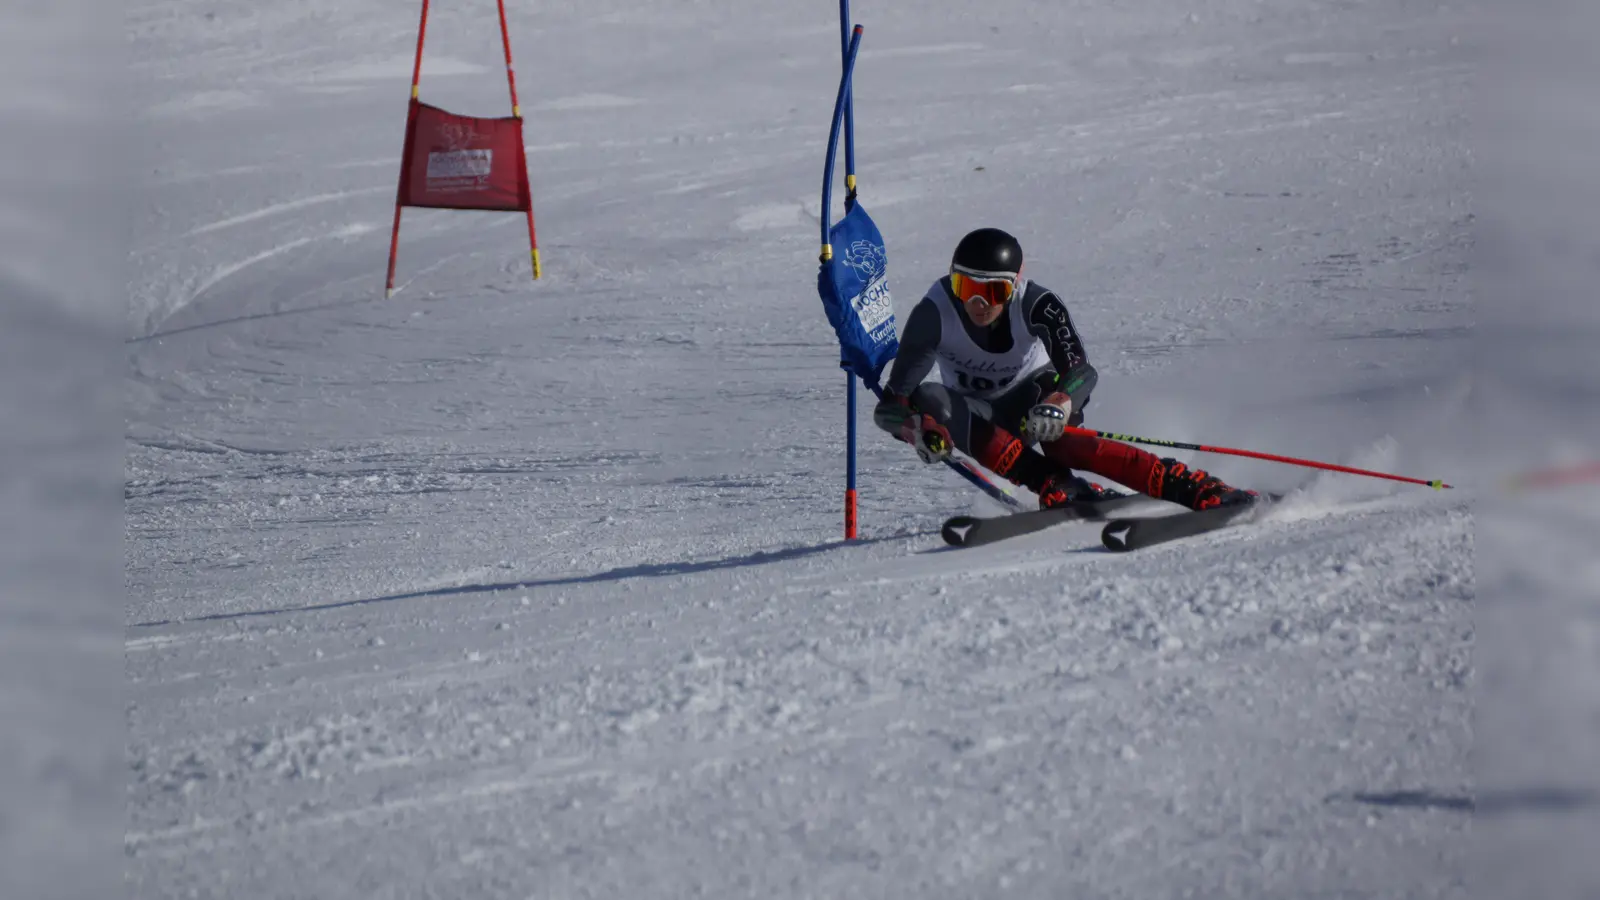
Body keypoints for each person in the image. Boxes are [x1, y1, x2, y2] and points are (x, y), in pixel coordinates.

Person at [873, 227, 1255, 511]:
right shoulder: (934, 313)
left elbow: (1082, 372)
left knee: (1062, 439)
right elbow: (893, 404)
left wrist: (1059, 402)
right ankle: (1054, 484)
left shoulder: (1039, 304)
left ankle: (1186, 484)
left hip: (1033, 399)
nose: (976, 302)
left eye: (993, 292)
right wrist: (914, 430)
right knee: (929, 399)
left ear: (1014, 287)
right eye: (964, 285)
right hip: (980, 418)